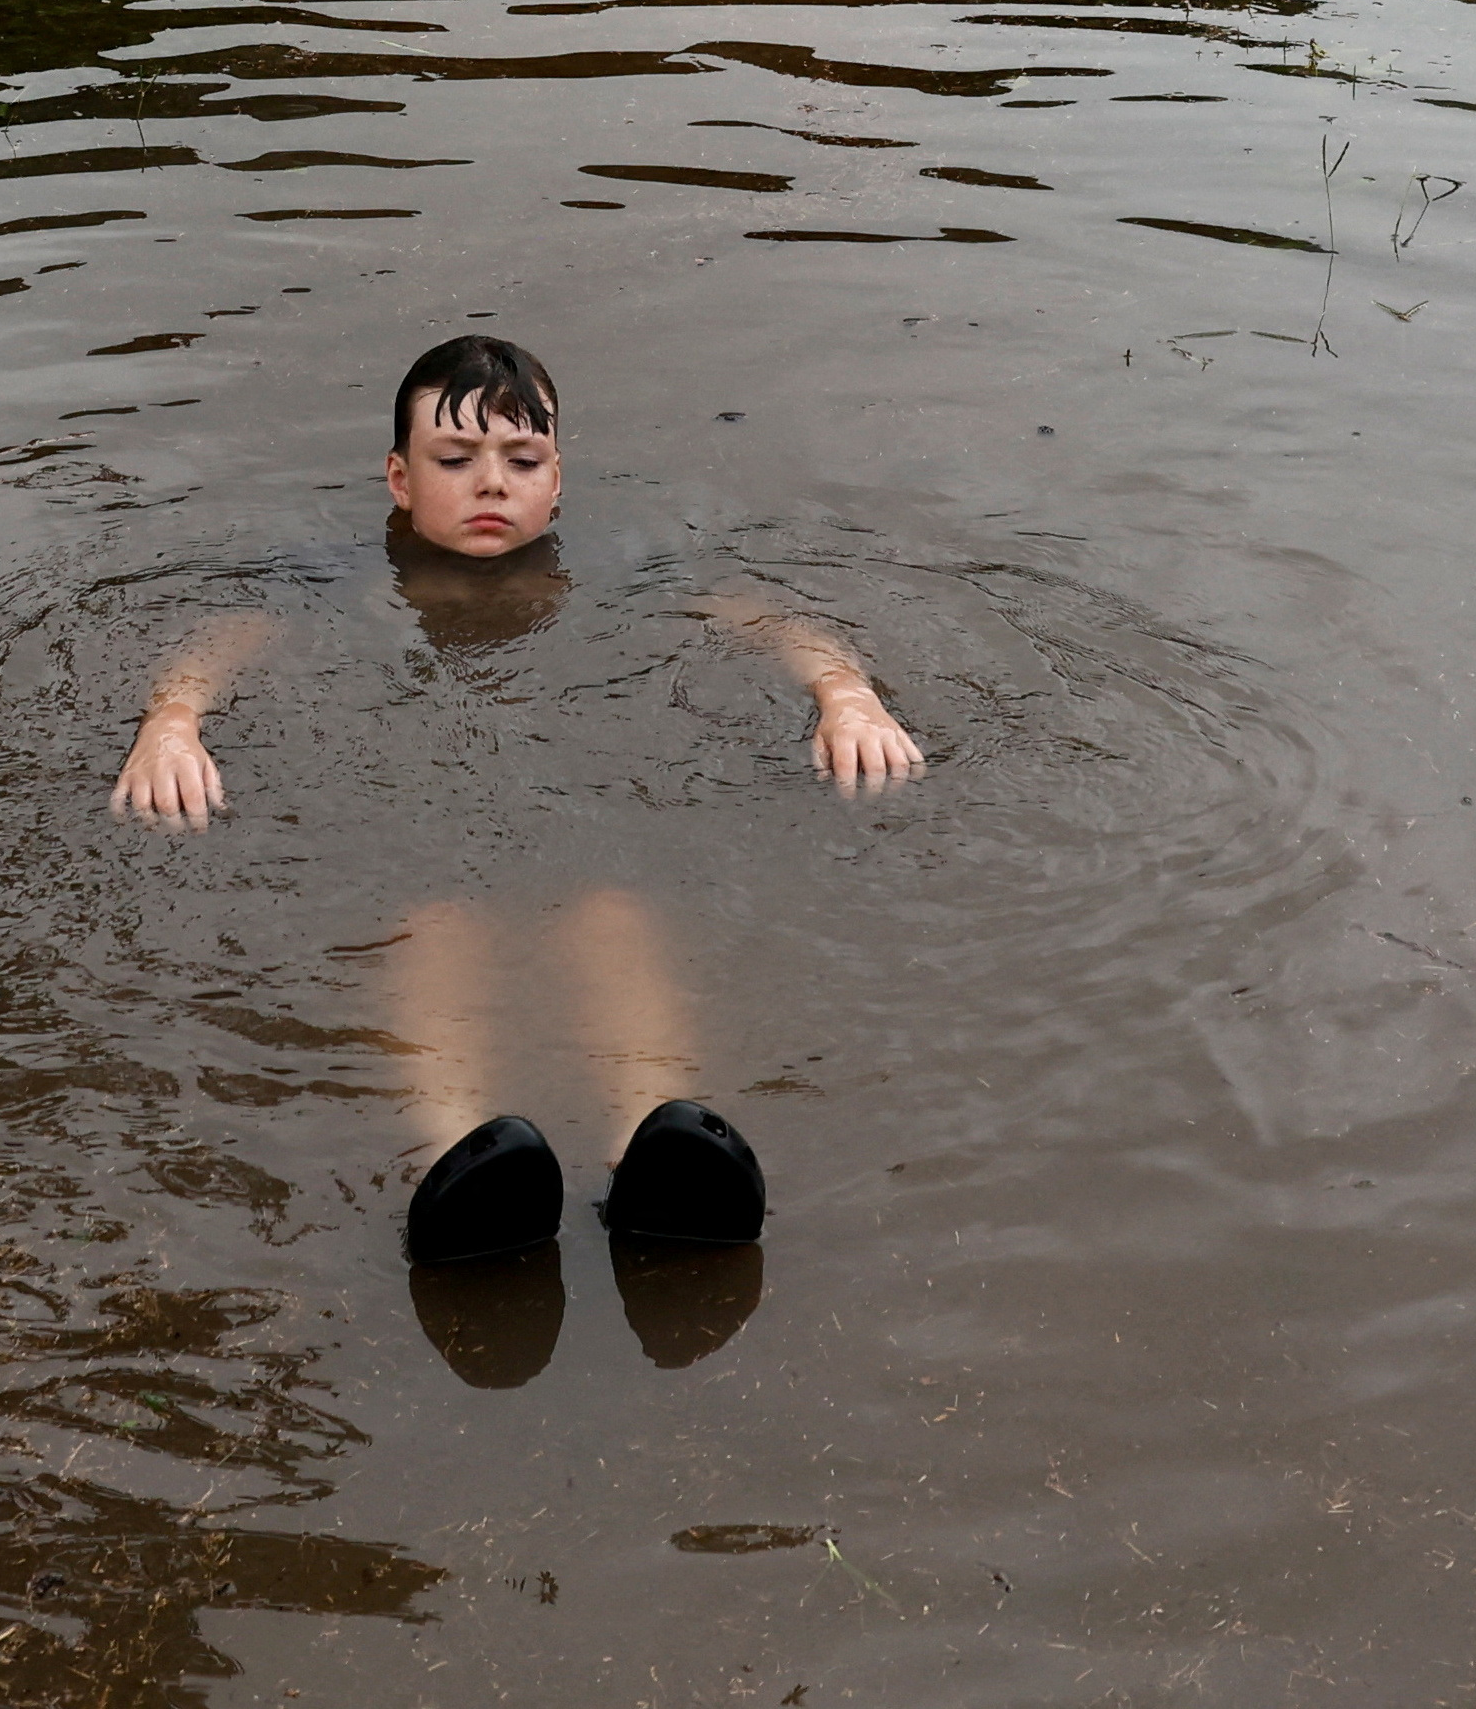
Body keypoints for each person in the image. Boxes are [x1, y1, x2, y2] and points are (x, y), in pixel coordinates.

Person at [112, 332, 923, 1266]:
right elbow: (227, 633)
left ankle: (654, 1152)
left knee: (611, 913)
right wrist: (173, 718)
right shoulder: (337, 569)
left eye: (521, 459)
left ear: (557, 481)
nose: (490, 483)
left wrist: (843, 692)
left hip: (574, 791)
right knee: (436, 921)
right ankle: (457, 1159)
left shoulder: (625, 553)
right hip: (411, 798)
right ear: (398, 477)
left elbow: (759, 612)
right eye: (454, 459)